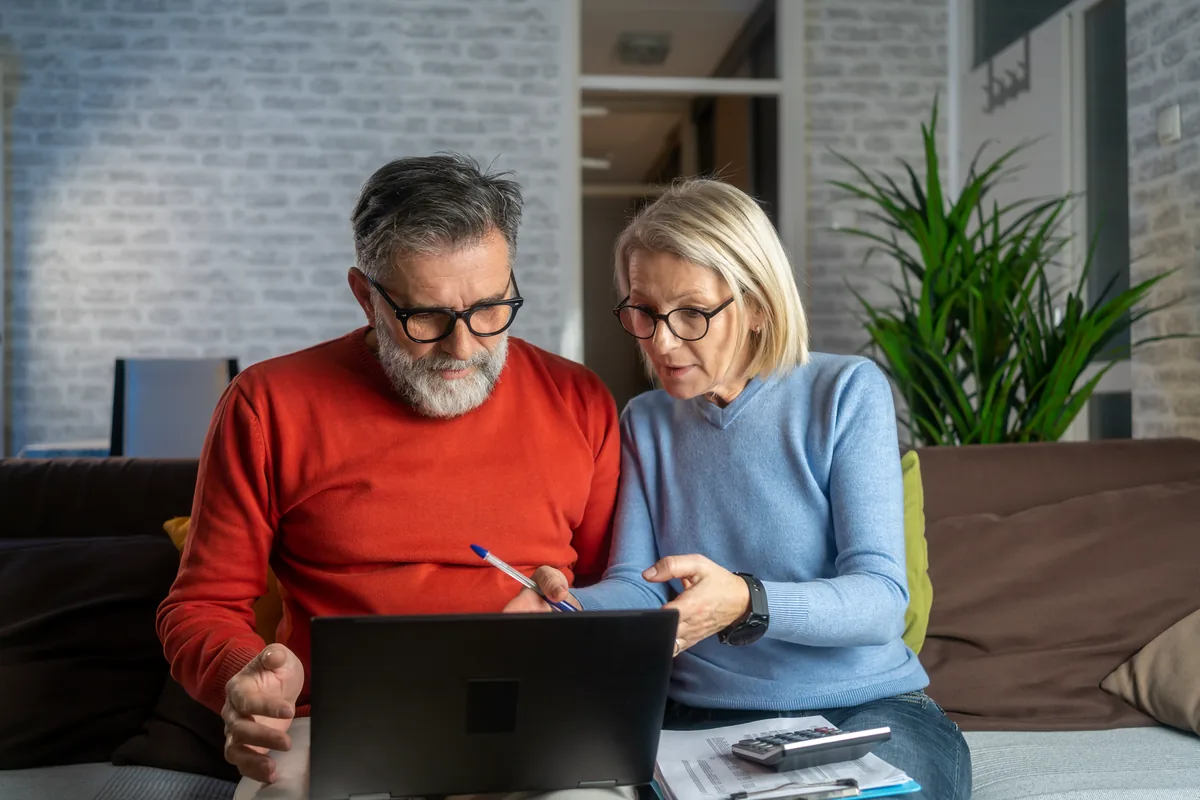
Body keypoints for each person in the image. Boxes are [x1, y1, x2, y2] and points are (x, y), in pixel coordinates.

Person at [156, 153, 622, 799]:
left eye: (490, 309)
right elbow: (202, 604)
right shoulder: (268, 403)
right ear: (365, 293)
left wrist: (575, 614)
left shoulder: (579, 398)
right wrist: (244, 675)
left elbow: (614, 592)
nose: (464, 348)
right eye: (425, 316)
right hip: (340, 727)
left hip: (535, 713)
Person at [505, 179, 972, 799]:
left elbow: (882, 599)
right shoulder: (645, 422)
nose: (662, 342)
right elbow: (640, 588)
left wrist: (748, 600)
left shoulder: (845, 392)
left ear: (758, 306)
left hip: (865, 712)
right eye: (642, 311)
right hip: (696, 717)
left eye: (693, 314)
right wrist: (570, 611)